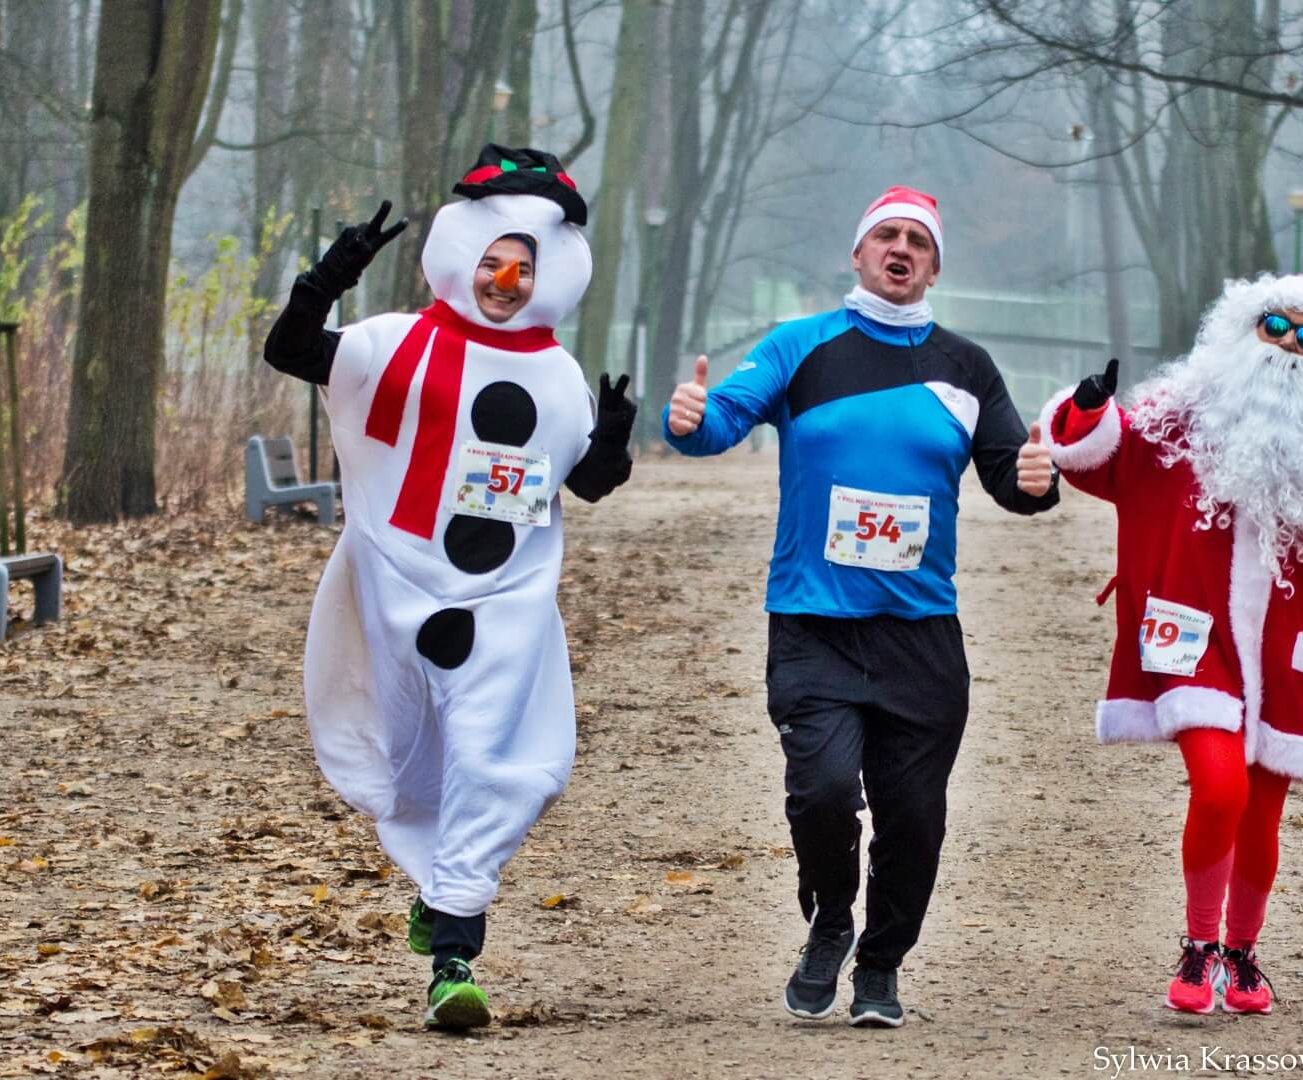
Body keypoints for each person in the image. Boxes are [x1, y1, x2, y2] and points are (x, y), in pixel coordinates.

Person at [664, 185, 1059, 1028]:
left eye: (918, 239)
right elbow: (719, 425)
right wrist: (689, 420)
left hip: (920, 635)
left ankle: (880, 967)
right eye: (887, 234)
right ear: (859, 252)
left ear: (934, 265)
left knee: (914, 820)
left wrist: (1034, 484)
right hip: (813, 622)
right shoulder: (801, 347)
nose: (901, 248)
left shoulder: (966, 367)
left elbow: (1010, 473)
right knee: (823, 792)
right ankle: (831, 917)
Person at [263, 144, 636, 1031]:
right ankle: (442, 895)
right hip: (394, 587)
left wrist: (613, 437)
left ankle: (454, 955)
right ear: (465, 260)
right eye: (492, 264)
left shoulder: (556, 377)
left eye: (522, 268)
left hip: (505, 602)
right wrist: (328, 277)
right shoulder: (396, 342)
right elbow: (292, 351)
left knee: (500, 764)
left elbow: (582, 484)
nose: (504, 282)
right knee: (409, 755)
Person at [1038, 273, 1303, 1016]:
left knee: (1262, 812)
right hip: (1190, 637)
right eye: (1276, 328)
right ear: (1242, 333)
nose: (1289, 348)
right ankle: (1200, 942)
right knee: (1220, 786)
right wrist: (1085, 413)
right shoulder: (1175, 425)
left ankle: (1242, 953)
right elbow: (1098, 460)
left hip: (1290, 661)